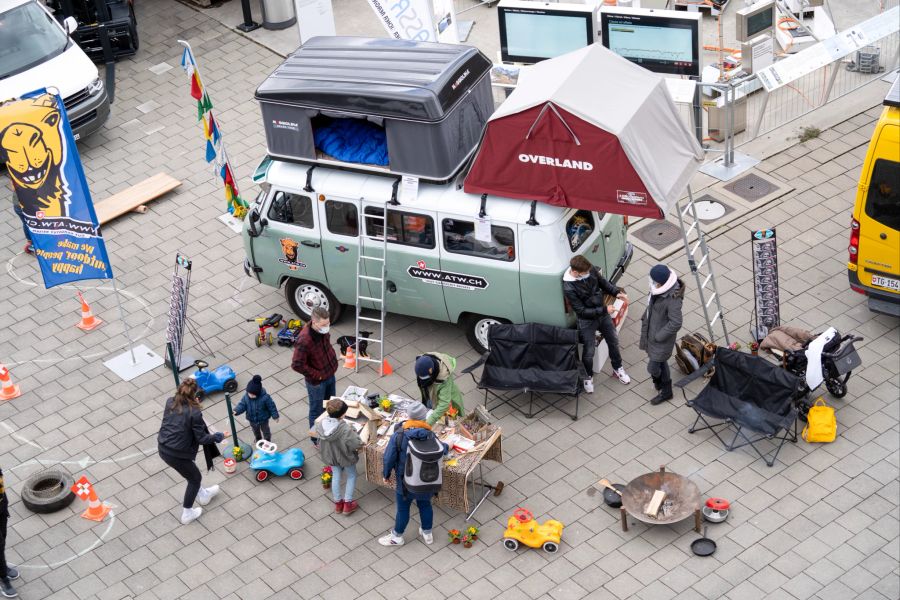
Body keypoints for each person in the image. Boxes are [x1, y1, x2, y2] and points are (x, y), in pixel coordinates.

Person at [157, 379, 229, 524]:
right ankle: (187, 513)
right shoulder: (194, 413)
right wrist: (219, 436)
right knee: (195, 479)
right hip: (177, 454)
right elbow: (201, 438)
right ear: (194, 395)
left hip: (164, 447)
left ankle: (203, 495)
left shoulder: (170, 401)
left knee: (191, 474)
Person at [562, 255, 630, 392]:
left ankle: (618, 369)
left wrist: (616, 293)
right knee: (589, 351)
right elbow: (581, 311)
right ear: (575, 272)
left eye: (589, 271)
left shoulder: (589, 268)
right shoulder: (569, 287)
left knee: (613, 340)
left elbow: (603, 283)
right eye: (585, 273)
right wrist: (605, 309)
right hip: (587, 320)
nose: (588, 273)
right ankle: (588, 376)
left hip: (602, 314)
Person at [378, 420, 448, 546]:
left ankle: (397, 537)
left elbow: (388, 458)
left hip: (405, 482)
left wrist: (386, 474)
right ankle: (427, 533)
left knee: (403, 509)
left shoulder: (398, 436)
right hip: (426, 480)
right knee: (425, 505)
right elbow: (442, 448)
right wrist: (450, 445)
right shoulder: (430, 434)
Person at [291, 306, 338, 448]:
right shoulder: (304, 340)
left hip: (330, 373)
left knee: (330, 405)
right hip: (317, 382)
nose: (327, 327)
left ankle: (329, 431)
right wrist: (317, 376)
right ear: (314, 322)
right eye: (324, 325)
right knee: (316, 410)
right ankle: (316, 439)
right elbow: (297, 364)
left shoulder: (322, 331)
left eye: (328, 323)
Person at [639, 264, 685, 405]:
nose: (650, 282)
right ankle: (666, 391)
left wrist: (659, 336)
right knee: (661, 362)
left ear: (660, 283)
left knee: (652, 367)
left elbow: (676, 322)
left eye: (653, 280)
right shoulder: (658, 290)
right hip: (652, 332)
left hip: (660, 339)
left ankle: (662, 385)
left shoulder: (672, 298)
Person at [314, 398, 364, 515]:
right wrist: (354, 431)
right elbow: (356, 443)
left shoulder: (321, 424)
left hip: (330, 455)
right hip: (344, 456)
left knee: (336, 475)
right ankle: (348, 504)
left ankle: (338, 504)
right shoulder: (345, 428)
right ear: (342, 414)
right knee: (351, 476)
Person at [414, 353, 465, 426]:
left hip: (448, 403)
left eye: (426, 378)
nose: (423, 382)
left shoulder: (444, 379)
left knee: (448, 423)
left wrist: (429, 422)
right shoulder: (424, 362)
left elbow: (444, 404)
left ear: (431, 370)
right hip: (431, 396)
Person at [233, 374, 279, 443]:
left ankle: (267, 440)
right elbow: (242, 405)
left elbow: (272, 407)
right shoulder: (246, 397)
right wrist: (236, 410)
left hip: (263, 419)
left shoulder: (265, 398)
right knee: (255, 431)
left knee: (266, 431)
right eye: (249, 393)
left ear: (257, 393)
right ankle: (258, 439)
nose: (250, 395)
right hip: (252, 419)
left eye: (253, 394)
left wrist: (275, 416)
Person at [0, 468, 19, 598]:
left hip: (1, 508)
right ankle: (3, 579)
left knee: (3, 537)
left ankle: (2, 566)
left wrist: (4, 507)